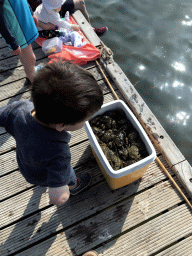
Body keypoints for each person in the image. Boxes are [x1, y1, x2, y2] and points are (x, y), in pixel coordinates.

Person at [0, 60, 104, 206]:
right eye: (85, 119)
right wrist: (63, 193)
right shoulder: (59, 152)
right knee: (69, 176)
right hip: (44, 176)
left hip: (26, 166)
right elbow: (57, 198)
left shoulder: (19, 108)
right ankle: (75, 186)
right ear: (60, 125)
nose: (86, 121)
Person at [0, 0, 39, 86]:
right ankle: (35, 85)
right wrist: (12, 42)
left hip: (24, 21)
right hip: (18, 30)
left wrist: (31, 12)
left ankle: (30, 76)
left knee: (27, 55)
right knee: (31, 58)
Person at [27, 0, 108, 37]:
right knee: (59, 32)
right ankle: (90, 33)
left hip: (48, 4)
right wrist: (72, 26)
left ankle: (90, 29)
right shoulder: (52, 15)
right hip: (42, 15)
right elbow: (60, 23)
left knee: (80, 2)